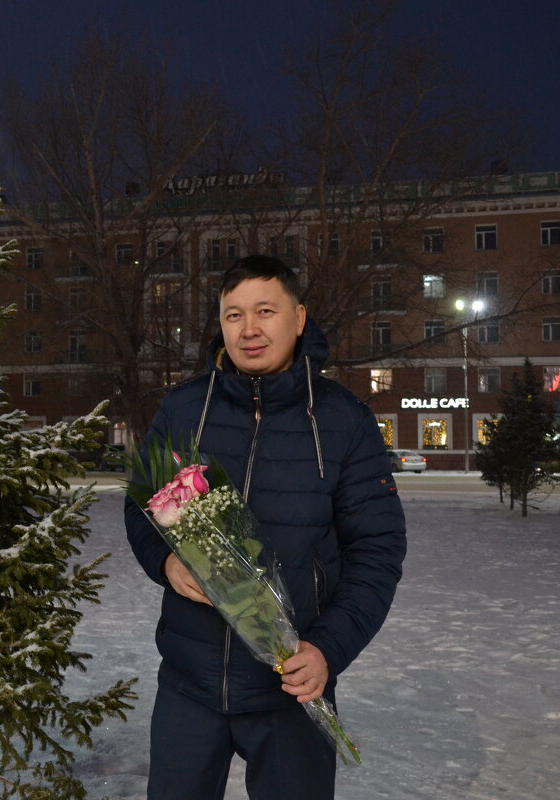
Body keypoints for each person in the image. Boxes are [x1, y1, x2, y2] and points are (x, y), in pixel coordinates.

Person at [125, 255, 407, 799]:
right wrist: (164, 561)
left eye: (264, 311)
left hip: (290, 690)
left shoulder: (344, 420)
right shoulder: (185, 408)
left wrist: (326, 649)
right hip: (190, 684)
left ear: (298, 318)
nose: (248, 329)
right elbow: (143, 509)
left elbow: (377, 550)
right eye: (233, 315)